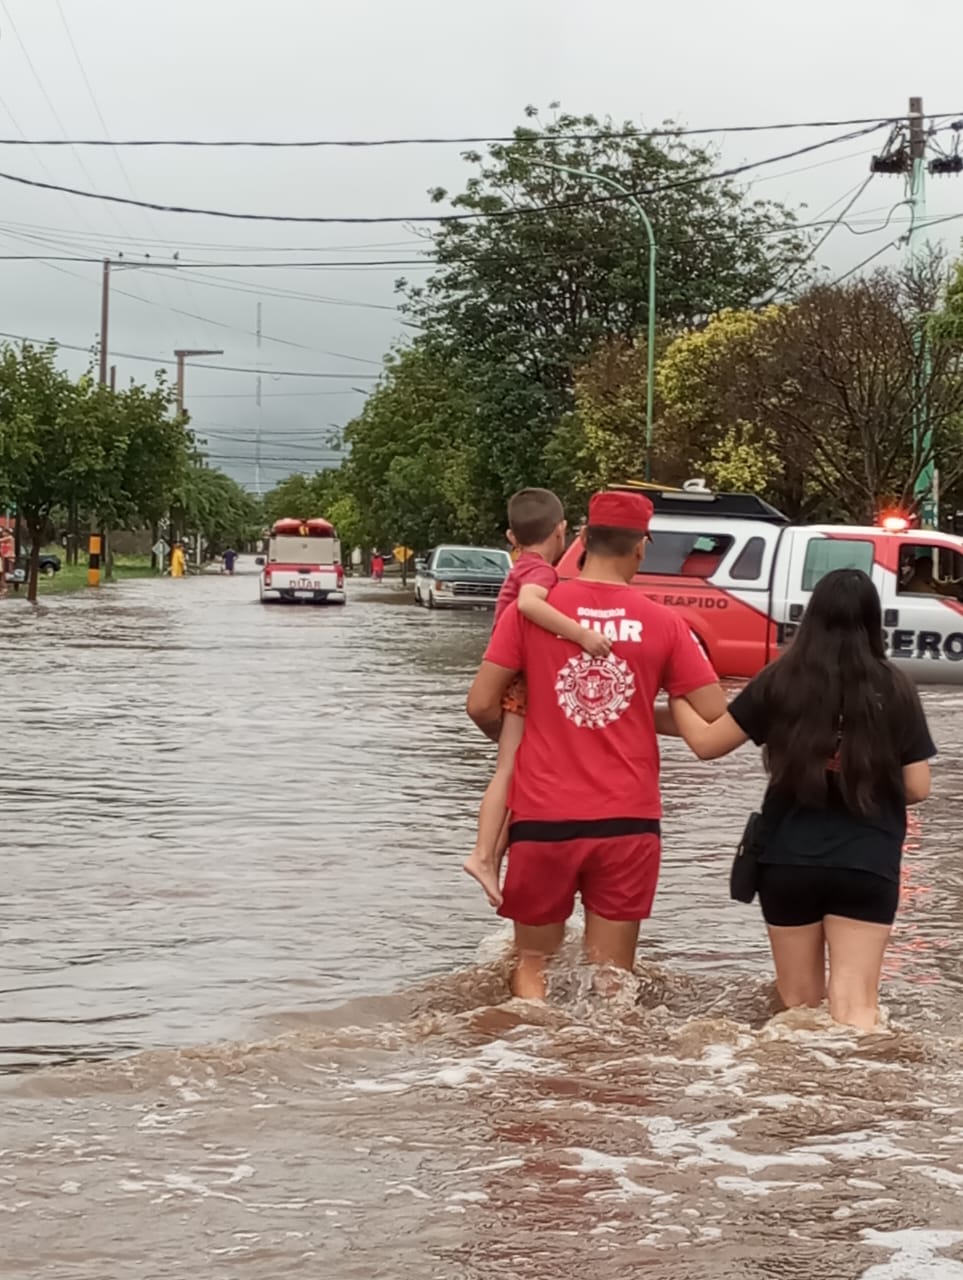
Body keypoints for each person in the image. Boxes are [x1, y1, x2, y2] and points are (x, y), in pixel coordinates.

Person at [466, 489, 725, 999]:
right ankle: (605, 1074)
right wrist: (631, 714)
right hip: (627, 821)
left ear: (582, 539)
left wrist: (541, 726)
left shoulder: (532, 610)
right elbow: (713, 711)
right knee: (612, 980)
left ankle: (525, 1061)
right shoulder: (666, 623)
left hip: (543, 817)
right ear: (641, 548)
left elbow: (480, 704)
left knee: (533, 966)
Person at [668, 568, 935, 1031]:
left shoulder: (780, 680)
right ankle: (855, 1095)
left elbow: (708, 744)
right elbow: (917, 787)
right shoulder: (894, 689)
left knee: (798, 1011)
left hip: (788, 862)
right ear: (874, 621)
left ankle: (788, 1096)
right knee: (855, 1009)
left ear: (811, 617)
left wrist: (672, 697)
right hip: (866, 861)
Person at [463, 488, 613, 908]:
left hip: (512, 678)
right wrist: (582, 635)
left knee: (517, 772)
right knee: (509, 770)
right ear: (563, 530)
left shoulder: (519, 566)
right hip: (519, 681)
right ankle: (483, 855)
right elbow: (530, 606)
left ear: (511, 536)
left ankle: (492, 856)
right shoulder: (540, 574)